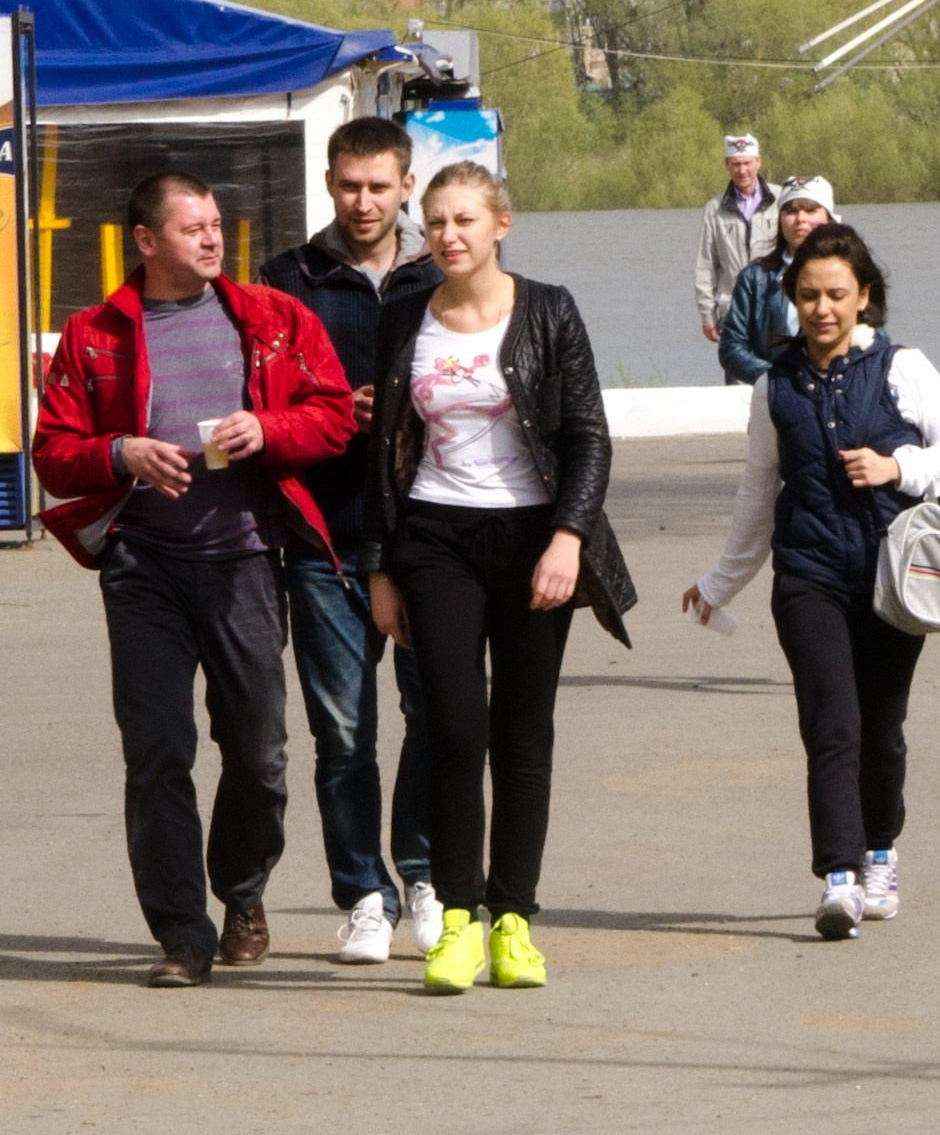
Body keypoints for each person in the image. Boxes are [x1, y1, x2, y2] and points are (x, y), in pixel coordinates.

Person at [32, 170, 356, 986]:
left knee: (260, 751)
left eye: (216, 224)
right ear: (146, 241)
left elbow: (335, 416)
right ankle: (182, 932)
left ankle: (242, 889)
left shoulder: (273, 318)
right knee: (158, 750)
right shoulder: (94, 333)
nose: (212, 238)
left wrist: (268, 427)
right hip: (143, 566)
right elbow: (54, 452)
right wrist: (120, 452)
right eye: (193, 228)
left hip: (245, 557)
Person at [364, 159, 635, 994]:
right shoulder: (407, 318)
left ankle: (514, 919)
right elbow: (382, 454)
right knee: (453, 729)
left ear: (500, 225)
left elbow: (588, 435)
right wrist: (381, 567)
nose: (447, 234)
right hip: (436, 538)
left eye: (464, 221)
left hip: (531, 539)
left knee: (523, 735)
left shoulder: (549, 309)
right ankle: (456, 921)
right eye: (435, 221)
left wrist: (566, 537)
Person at [682, 219, 940, 939]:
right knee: (831, 724)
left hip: (895, 581)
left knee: (883, 729)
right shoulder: (774, 385)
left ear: (864, 295)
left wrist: (896, 469)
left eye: (837, 294)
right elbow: (758, 491)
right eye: (808, 294)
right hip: (808, 574)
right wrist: (720, 582)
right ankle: (838, 877)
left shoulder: (902, 367)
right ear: (792, 299)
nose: (822, 308)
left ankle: (881, 852)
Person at [260, 116, 444, 962]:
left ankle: (425, 874)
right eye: (347, 185)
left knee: (436, 717)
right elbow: (261, 407)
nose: (362, 201)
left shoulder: (444, 272)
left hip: (429, 535)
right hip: (324, 537)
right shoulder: (286, 280)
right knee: (343, 734)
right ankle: (363, 893)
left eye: (378, 185)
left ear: (407, 185)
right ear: (327, 182)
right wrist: (329, 414)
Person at [719, 175, 838, 385]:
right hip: (773, 393)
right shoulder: (755, 277)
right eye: (790, 211)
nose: (800, 218)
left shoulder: (850, 273)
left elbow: (872, 338)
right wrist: (779, 377)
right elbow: (731, 348)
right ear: (780, 219)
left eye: (811, 210)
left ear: (828, 218)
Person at [694, 134, 782, 380]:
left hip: (775, 307)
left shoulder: (781, 199)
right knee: (737, 385)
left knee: (779, 382)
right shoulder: (714, 208)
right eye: (735, 164)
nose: (742, 170)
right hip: (732, 310)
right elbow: (706, 265)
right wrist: (707, 314)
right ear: (727, 166)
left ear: (758, 162)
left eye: (747, 163)